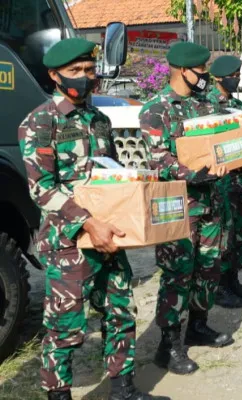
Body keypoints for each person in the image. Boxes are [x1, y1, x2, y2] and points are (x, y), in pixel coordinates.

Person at [19, 38, 157, 400]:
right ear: (54, 75)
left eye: (89, 70)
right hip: (69, 243)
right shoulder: (39, 123)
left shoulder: (99, 120)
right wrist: (88, 223)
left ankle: (123, 389)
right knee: (65, 328)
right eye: (75, 71)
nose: (85, 77)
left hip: (109, 237)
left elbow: (107, 176)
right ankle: (58, 394)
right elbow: (42, 189)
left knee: (121, 312)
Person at [140, 42, 234, 376]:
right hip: (178, 205)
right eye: (201, 71)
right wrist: (194, 173)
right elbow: (158, 158)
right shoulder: (156, 109)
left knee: (209, 267)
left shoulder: (206, 103)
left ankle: (198, 325)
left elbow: (222, 139)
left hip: (211, 201)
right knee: (177, 274)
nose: (206, 77)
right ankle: (169, 345)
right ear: (182, 71)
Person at [207, 55, 242, 308]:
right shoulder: (207, 106)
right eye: (233, 76)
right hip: (220, 182)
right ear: (218, 77)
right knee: (224, 237)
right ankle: (219, 288)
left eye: (239, 75)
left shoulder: (240, 106)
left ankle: (233, 281)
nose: (236, 79)